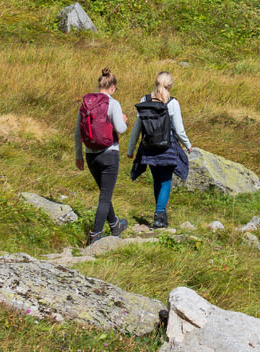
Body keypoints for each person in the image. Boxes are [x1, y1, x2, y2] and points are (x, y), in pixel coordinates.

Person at [127, 70, 191, 228]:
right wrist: (188, 144)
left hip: (148, 147)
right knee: (166, 180)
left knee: (157, 180)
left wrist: (131, 148)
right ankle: (159, 214)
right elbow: (179, 129)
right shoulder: (172, 103)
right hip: (167, 147)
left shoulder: (145, 100)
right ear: (170, 86)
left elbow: (138, 127)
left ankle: (160, 216)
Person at [75, 68, 129, 244]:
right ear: (112, 87)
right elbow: (120, 129)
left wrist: (79, 156)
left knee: (105, 194)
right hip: (109, 154)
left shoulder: (86, 103)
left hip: (90, 155)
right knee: (105, 197)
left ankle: (115, 225)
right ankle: (96, 236)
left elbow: (78, 132)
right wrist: (124, 120)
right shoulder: (113, 103)